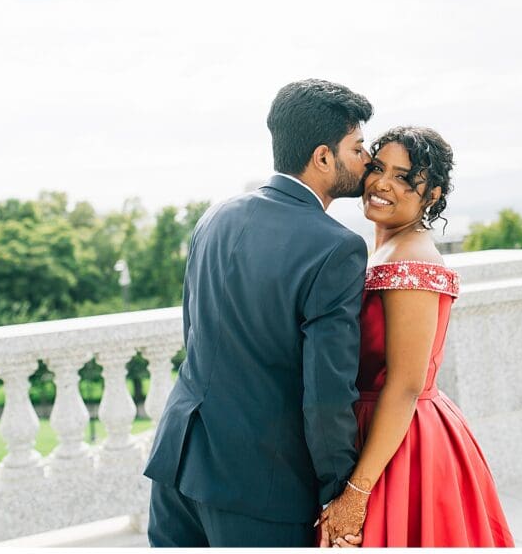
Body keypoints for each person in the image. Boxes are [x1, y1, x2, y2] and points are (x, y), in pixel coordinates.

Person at [143, 78, 375, 547]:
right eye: (358, 147)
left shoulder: (215, 216)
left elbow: (196, 335)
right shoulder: (337, 248)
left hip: (178, 463)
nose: (366, 160)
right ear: (323, 157)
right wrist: (341, 492)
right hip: (260, 488)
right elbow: (328, 393)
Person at [318, 125, 515, 547]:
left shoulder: (413, 259)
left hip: (403, 440)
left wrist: (356, 493)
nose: (383, 183)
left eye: (405, 177)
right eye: (377, 168)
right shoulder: (385, 249)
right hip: (376, 427)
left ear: (434, 195)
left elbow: (406, 384)